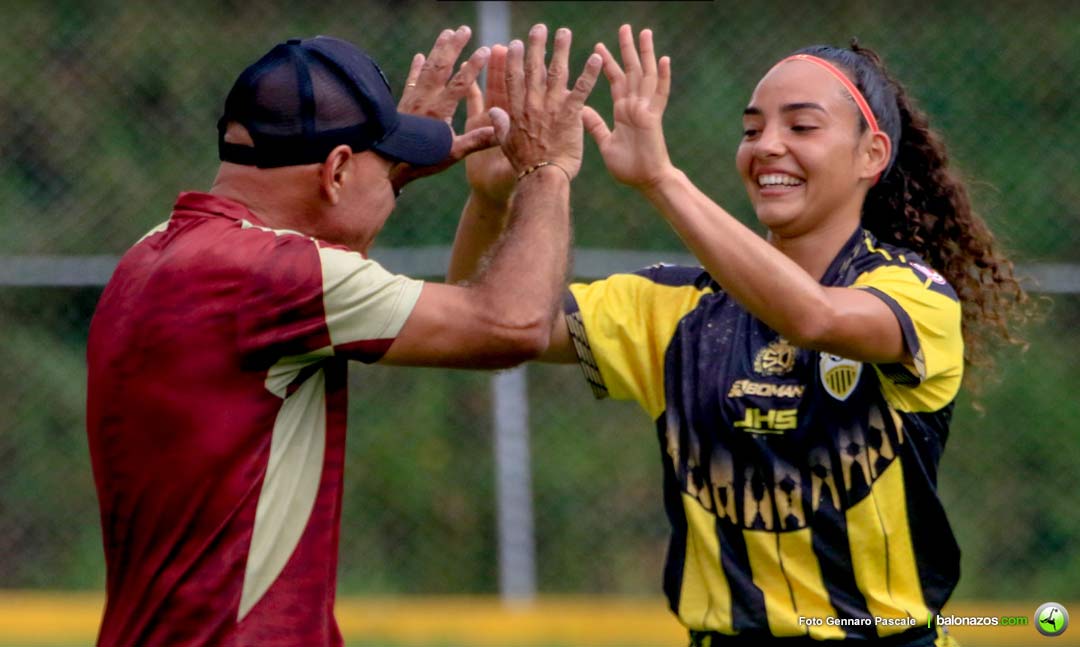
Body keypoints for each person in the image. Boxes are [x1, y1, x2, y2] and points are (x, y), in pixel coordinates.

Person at [457, 25, 1027, 647]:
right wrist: (493, 198)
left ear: (872, 155)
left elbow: (812, 318)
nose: (768, 147)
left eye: (801, 127)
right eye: (753, 130)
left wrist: (661, 180)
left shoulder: (914, 295)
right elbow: (479, 324)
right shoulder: (672, 309)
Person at [86, 25, 601, 647]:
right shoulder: (273, 276)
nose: (395, 176)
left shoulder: (156, 252)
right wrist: (545, 171)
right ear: (334, 170)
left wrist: (384, 174)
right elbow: (511, 325)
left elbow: (325, 264)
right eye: (385, 163)